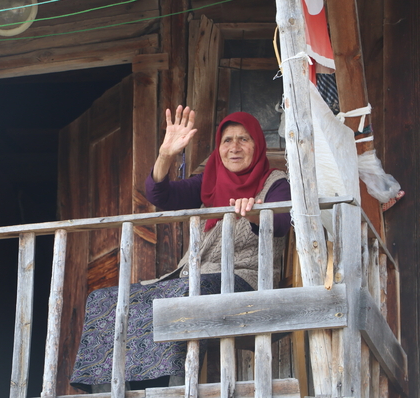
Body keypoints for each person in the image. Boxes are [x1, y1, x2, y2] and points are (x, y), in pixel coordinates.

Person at [70, 107, 291, 392]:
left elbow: (283, 223)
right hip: (194, 279)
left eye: (244, 139)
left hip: (245, 281)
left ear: (257, 145)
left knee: (180, 297)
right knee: (107, 298)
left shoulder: (275, 183)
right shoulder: (209, 183)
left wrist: (253, 214)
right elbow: (159, 194)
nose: (234, 147)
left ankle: (168, 388)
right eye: (227, 140)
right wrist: (166, 153)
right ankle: (110, 389)